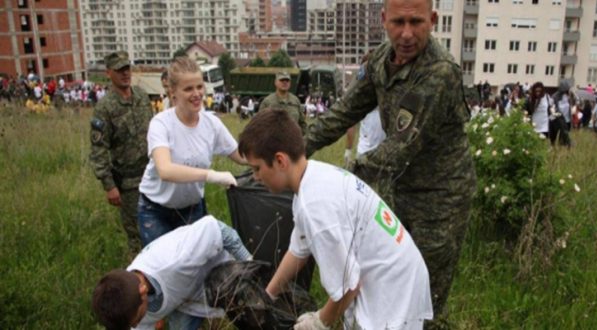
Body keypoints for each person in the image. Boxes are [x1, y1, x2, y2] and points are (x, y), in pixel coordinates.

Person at [303, 0, 476, 322]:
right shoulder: (382, 59)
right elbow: (346, 110)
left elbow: (402, 146)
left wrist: (342, 180)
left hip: (441, 199)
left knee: (426, 295)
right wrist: (300, 147)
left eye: (416, 22)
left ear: (433, 20)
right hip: (398, 190)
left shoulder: (440, 72)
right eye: (398, 22)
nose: (407, 33)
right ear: (383, 20)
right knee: (391, 282)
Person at [238, 109, 432, 329]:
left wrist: (320, 321)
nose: (255, 177)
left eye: (257, 168)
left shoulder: (316, 206)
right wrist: (268, 295)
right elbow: (298, 250)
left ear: (280, 160)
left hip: (393, 288)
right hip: (400, 271)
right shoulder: (312, 178)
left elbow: (349, 286)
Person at [137, 57, 246, 246]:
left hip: (192, 210)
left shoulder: (212, 124)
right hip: (155, 211)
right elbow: (166, 170)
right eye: (188, 89)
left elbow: (242, 157)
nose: (196, 94)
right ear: (173, 93)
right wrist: (211, 176)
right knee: (164, 269)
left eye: (199, 87)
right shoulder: (161, 124)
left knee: (195, 268)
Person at [91, 216, 252, 330]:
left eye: (137, 319)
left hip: (221, 279)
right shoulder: (126, 297)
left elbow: (221, 231)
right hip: (183, 301)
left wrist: (251, 270)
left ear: (143, 292)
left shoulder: (178, 260)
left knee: (254, 318)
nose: (135, 325)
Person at [89, 51, 154, 254]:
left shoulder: (142, 97)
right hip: (128, 183)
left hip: (153, 174)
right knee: (137, 233)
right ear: (109, 73)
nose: (125, 74)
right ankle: (138, 279)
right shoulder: (105, 108)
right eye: (119, 70)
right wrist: (109, 185)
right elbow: (98, 149)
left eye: (127, 69)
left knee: (158, 226)